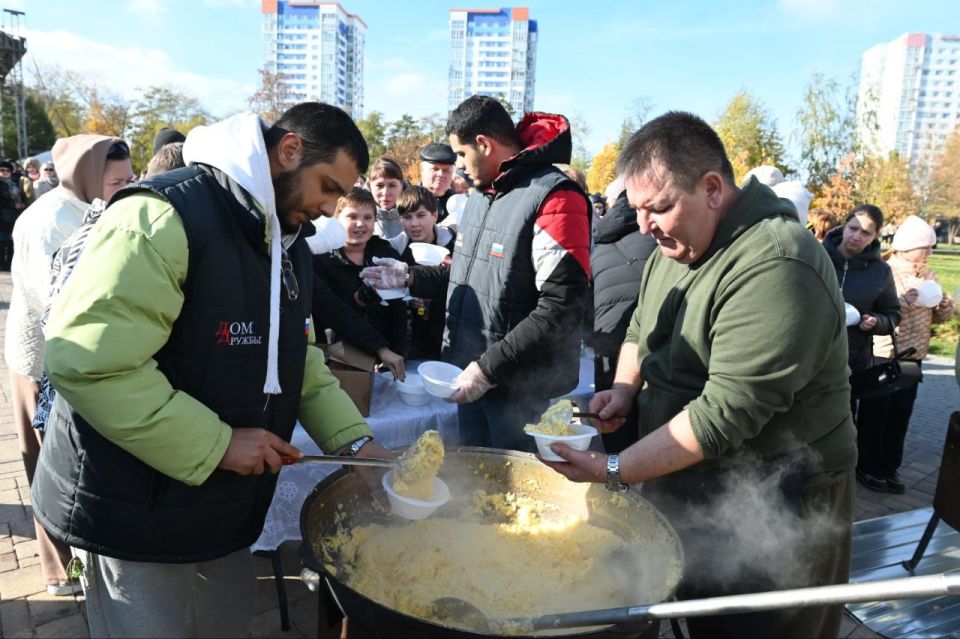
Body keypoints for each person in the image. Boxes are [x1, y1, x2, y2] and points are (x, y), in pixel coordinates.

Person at [30, 103, 392, 638]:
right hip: (131, 506)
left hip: (218, 505)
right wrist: (218, 443)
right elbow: (89, 364)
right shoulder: (162, 216)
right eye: (328, 186)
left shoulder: (288, 241)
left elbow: (299, 360)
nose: (328, 208)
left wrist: (356, 445)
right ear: (289, 151)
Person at [542, 112, 857, 639]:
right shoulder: (677, 244)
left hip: (782, 492)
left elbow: (723, 414)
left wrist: (613, 468)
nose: (644, 226)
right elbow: (642, 326)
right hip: (693, 478)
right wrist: (624, 389)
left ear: (712, 188)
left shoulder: (778, 262)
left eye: (659, 207)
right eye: (637, 209)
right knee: (694, 615)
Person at [362, 95, 591, 451]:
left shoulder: (556, 197)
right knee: (476, 480)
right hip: (470, 374)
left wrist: (488, 369)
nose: (460, 167)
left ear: (484, 144)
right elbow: (464, 275)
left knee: (513, 493)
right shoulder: (482, 196)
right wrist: (409, 277)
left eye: (462, 156)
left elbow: (562, 305)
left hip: (518, 388)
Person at [5, 135, 132, 595]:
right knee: (50, 466)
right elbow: (55, 303)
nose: (126, 189)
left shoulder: (94, 205)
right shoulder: (46, 221)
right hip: (41, 358)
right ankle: (61, 573)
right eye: (117, 181)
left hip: (76, 352)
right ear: (86, 174)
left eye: (130, 179)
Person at [857, 216, 954, 493]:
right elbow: (880, 311)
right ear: (910, 247)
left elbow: (941, 318)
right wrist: (903, 302)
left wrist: (943, 302)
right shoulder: (886, 271)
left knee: (900, 414)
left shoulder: (929, 274)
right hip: (886, 354)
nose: (930, 253)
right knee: (877, 414)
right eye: (927, 247)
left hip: (914, 356)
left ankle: (890, 467)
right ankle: (868, 466)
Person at [823, 204, 900, 482]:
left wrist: (875, 322)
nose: (856, 236)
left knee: (843, 420)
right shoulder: (818, 255)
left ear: (875, 236)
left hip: (852, 359)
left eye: (866, 233)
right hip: (810, 353)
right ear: (845, 226)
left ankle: (838, 477)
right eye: (853, 228)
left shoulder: (880, 271)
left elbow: (892, 314)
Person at [312, 187, 407, 379]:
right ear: (336, 219)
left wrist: (399, 352)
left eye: (367, 217)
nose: (360, 224)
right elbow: (331, 313)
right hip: (339, 361)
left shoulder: (386, 254)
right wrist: (358, 300)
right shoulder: (321, 259)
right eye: (352, 216)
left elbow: (400, 313)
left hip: (388, 361)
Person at [588, 188, 657, 454]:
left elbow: (587, 314)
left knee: (614, 432)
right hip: (649, 358)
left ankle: (617, 485)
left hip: (607, 357)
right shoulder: (657, 243)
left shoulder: (600, 247)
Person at [389, 185, 456, 360]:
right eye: (407, 217)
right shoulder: (394, 250)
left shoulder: (454, 247)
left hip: (445, 337)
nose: (414, 223)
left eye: (420, 215)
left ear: (434, 215)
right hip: (405, 342)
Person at [419, 142, 456, 223]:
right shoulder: (409, 201)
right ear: (422, 170)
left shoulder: (459, 203)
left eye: (446, 170)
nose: (441, 174)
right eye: (435, 169)